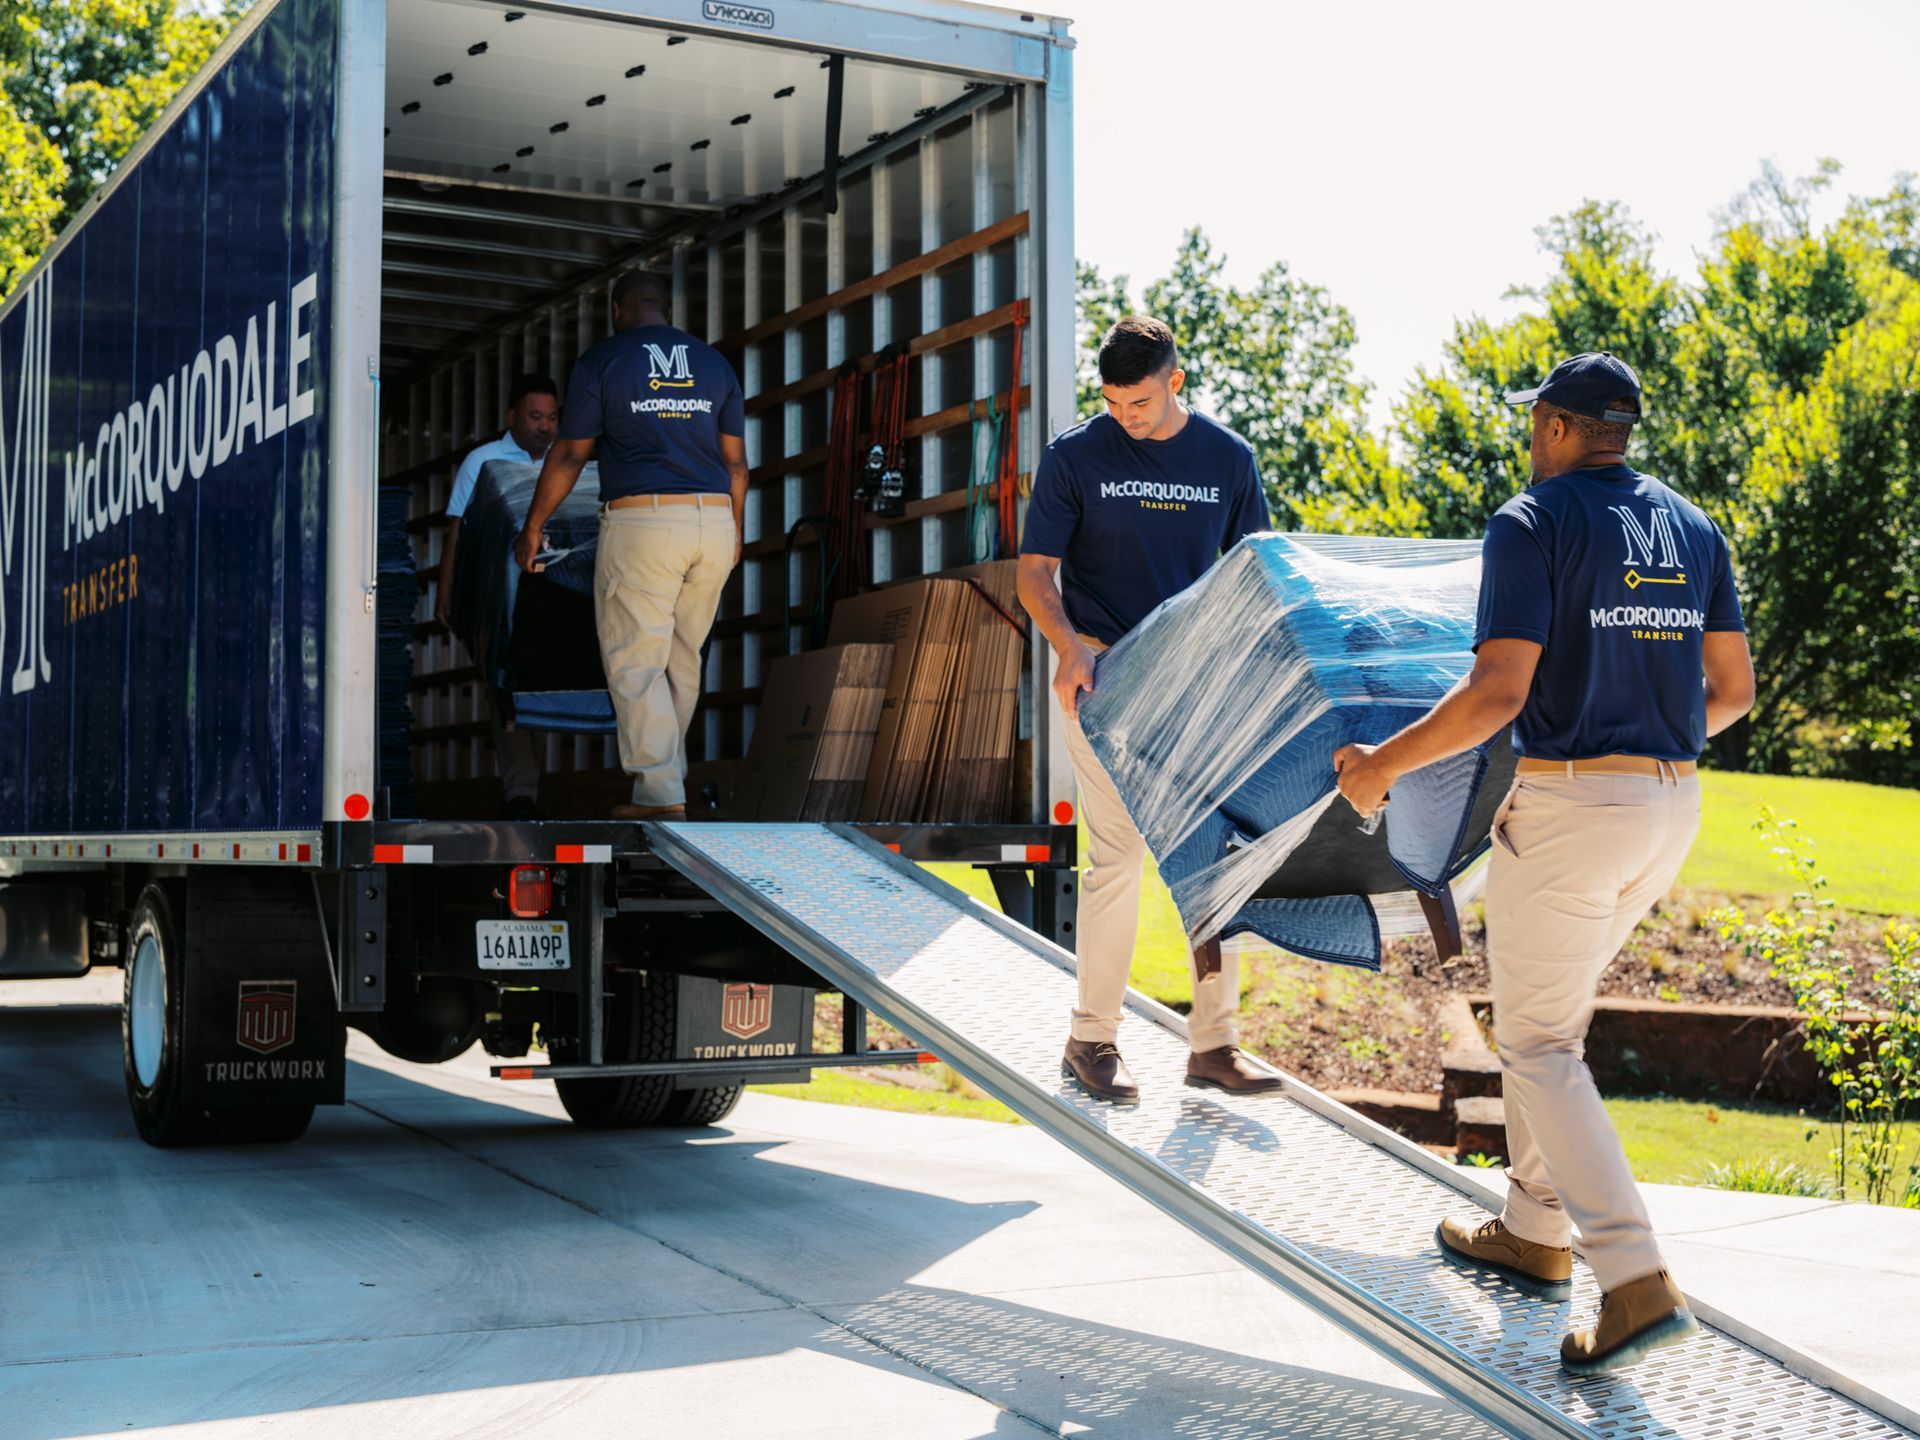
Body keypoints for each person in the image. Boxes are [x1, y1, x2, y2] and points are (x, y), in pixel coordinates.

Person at [1332, 352, 1755, 1375]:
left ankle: (1634, 1276)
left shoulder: (1534, 520)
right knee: (1544, 1019)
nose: (1532, 442)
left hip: (1572, 809)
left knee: (1536, 1047)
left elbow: (1496, 695)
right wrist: (1646, 738)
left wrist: (1378, 769)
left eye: (1536, 425)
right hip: (1669, 807)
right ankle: (1533, 1229)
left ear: (1560, 427)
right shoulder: (1695, 530)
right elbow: (1734, 691)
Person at [1016, 315, 1285, 1103]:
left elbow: (1254, 574)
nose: (1124, 417)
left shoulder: (1228, 460)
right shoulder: (1076, 455)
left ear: (1175, 379)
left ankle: (1214, 1047)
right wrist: (1069, 646)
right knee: (1121, 854)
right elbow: (1036, 573)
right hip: (1104, 677)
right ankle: (1090, 1040)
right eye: (1111, 402)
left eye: (1137, 401)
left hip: (1195, 684)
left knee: (1219, 860)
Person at [514, 270, 747, 821]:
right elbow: (735, 461)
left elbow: (570, 454)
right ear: (666, 308)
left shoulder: (604, 360)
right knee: (682, 661)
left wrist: (533, 525)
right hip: (713, 524)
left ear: (618, 310)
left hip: (645, 525)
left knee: (635, 663)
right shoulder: (714, 364)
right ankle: (666, 783)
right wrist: (734, 531)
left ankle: (661, 795)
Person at [437, 373, 561, 822]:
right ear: (512, 417)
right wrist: (446, 590)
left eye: (551, 417)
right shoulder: (483, 461)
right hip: (497, 599)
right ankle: (521, 793)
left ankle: (526, 791)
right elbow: (458, 528)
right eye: (535, 416)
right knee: (506, 691)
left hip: (551, 597)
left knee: (537, 691)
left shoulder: (567, 462)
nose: (545, 426)